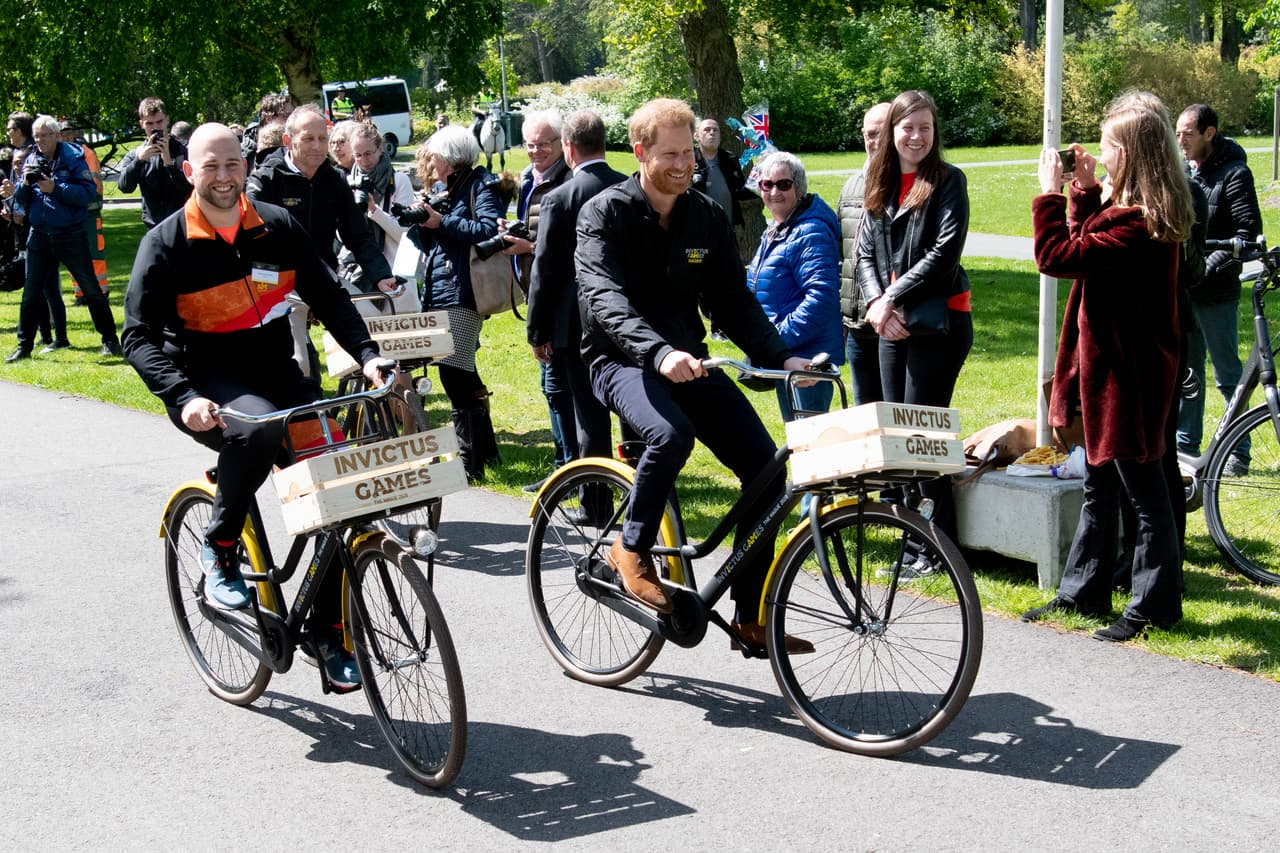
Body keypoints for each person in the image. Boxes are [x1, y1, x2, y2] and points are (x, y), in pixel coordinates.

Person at [121, 123, 394, 688]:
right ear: (189, 172)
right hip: (207, 382)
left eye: (233, 165)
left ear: (246, 166)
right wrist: (183, 396)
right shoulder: (165, 244)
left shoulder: (276, 225)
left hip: (277, 373)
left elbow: (329, 295)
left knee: (337, 488)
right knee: (256, 432)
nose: (223, 177)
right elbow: (138, 337)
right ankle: (220, 551)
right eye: (211, 167)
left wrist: (367, 354)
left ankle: (328, 633)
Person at [575, 97, 812, 652]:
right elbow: (603, 297)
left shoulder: (704, 214)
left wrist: (781, 359)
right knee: (670, 434)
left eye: (690, 154)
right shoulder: (603, 213)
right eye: (670, 154)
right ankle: (629, 549)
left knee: (765, 469)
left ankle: (752, 615)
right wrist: (656, 352)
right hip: (619, 359)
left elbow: (733, 301)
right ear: (640, 152)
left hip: (689, 360)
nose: (684, 164)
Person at [1022, 91, 1193, 641]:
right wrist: (1086, 190)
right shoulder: (1129, 214)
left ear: (1135, 154)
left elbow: (1061, 256)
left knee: (1145, 494)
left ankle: (1154, 607)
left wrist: (1049, 196)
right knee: (1100, 483)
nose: (1100, 151)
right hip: (1109, 373)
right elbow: (1087, 238)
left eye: (1109, 146)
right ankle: (1083, 592)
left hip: (1130, 377)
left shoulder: (1141, 224)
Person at [856, 89, 972, 541]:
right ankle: (911, 536)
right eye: (908, 127)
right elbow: (865, 253)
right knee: (898, 435)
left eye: (925, 128)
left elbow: (945, 252)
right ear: (892, 132)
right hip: (890, 322)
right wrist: (874, 303)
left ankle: (938, 541)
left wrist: (890, 298)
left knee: (925, 433)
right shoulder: (879, 182)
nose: (917, 136)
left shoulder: (948, 180)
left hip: (937, 322)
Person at [246, 104, 394, 376]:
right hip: (278, 281)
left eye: (323, 138)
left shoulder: (334, 179)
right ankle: (303, 413)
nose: (317, 146)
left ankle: (376, 409)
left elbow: (358, 235)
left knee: (377, 335)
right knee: (298, 363)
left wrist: (381, 274)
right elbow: (255, 242)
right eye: (308, 139)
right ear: (289, 141)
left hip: (323, 277)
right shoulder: (265, 179)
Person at [526, 110, 627, 480]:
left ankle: (595, 498)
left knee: (589, 415)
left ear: (568, 148)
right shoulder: (629, 187)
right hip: (627, 317)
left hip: (574, 324)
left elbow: (545, 271)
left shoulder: (560, 198)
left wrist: (537, 331)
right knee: (631, 410)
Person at [401, 125, 504, 481]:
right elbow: (429, 242)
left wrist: (442, 220)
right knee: (463, 371)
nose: (430, 161)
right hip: (442, 289)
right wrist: (423, 221)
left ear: (449, 156)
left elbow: (490, 231)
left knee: (454, 373)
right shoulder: (447, 188)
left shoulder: (479, 185)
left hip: (463, 291)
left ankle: (469, 463)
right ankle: (487, 454)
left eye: (435, 155)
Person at [1174, 103, 1263, 476]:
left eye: (1187, 134)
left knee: (1228, 374)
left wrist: (1201, 270)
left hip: (1216, 293)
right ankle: (1184, 448)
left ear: (1209, 133)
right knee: (1187, 372)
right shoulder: (1184, 171)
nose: (1180, 140)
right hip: (1187, 290)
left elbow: (1247, 235)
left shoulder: (1235, 173)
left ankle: (1238, 453)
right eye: (1176, 133)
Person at [2, 115, 121, 362]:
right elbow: (23, 200)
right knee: (31, 292)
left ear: (57, 135)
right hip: (39, 233)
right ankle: (24, 346)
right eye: (37, 136)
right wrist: (24, 183)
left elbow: (88, 193)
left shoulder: (75, 158)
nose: (41, 140)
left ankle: (110, 340)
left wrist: (55, 187)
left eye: (46, 135)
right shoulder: (32, 158)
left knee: (90, 288)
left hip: (70, 233)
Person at [747, 150, 843, 423]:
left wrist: (778, 338)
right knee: (797, 436)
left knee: (809, 437)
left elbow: (821, 296)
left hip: (808, 356)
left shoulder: (809, 230)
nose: (774, 191)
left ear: (798, 188)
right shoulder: (779, 227)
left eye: (783, 184)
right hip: (787, 353)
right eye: (767, 184)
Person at [505, 110, 571, 487]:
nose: (536, 151)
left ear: (561, 144)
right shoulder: (530, 178)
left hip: (559, 299)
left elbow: (569, 247)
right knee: (550, 386)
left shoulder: (567, 181)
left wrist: (528, 246)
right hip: (537, 294)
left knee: (557, 386)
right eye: (530, 144)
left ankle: (568, 470)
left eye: (544, 143)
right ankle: (563, 467)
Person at [837, 102, 891, 404]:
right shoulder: (851, 186)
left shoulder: (908, 185)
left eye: (882, 134)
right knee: (865, 412)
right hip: (856, 324)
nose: (875, 142)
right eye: (870, 134)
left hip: (891, 323)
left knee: (898, 411)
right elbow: (842, 254)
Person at [337, 121, 419, 314]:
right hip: (360, 272)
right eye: (358, 155)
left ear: (381, 148)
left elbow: (406, 236)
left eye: (368, 154)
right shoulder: (347, 183)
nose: (364, 161)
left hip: (397, 271)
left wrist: (374, 211)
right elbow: (343, 238)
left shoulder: (399, 180)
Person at [115, 97, 192, 229]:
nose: (155, 127)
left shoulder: (183, 151)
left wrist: (169, 163)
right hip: (153, 228)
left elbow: (190, 189)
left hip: (182, 225)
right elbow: (124, 187)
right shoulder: (136, 154)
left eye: (159, 122)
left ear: (167, 119)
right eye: (149, 124)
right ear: (142, 124)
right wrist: (139, 161)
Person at [59, 118, 108, 305]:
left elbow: (93, 183)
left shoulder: (86, 153)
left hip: (89, 211)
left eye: (68, 132)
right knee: (74, 254)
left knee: (94, 253)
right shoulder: (58, 155)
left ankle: (100, 293)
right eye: (62, 133)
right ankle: (80, 294)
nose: (66, 136)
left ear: (75, 133)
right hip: (71, 212)